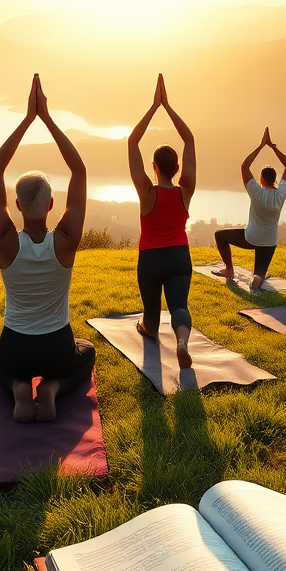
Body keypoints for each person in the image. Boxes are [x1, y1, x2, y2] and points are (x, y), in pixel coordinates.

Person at [0, 74, 94, 423]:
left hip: (16, 347)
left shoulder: (6, 242)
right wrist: (47, 118)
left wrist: (27, 119)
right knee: (87, 352)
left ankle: (19, 387)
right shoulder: (64, 241)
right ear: (52, 207)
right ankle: (51, 389)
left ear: (16, 206)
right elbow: (78, 169)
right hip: (57, 348)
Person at [128, 73, 196, 369]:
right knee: (179, 305)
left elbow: (132, 141)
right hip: (180, 256)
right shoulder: (185, 191)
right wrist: (168, 106)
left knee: (151, 319)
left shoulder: (147, 194)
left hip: (151, 259)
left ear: (153, 167)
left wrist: (154, 106)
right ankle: (181, 341)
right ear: (177, 167)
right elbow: (190, 138)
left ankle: (148, 327)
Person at [212, 127, 286, 290]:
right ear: (275, 179)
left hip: (251, 238)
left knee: (219, 235)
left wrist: (261, 145)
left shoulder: (256, 192)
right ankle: (257, 278)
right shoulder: (281, 193)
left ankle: (229, 269)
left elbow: (244, 166)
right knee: (259, 274)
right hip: (270, 242)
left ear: (261, 179)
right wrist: (273, 147)